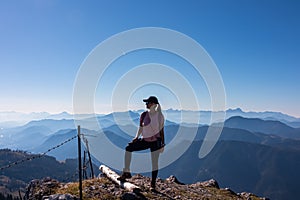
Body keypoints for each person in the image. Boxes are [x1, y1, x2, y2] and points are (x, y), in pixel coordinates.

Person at [118, 96, 165, 190]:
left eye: (147, 102)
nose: (146, 104)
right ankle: (126, 172)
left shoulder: (160, 116)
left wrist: (163, 144)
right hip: (145, 140)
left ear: (153, 104)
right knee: (128, 148)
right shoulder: (143, 115)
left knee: (154, 163)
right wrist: (136, 137)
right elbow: (140, 128)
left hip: (156, 142)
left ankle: (153, 184)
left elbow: (161, 131)